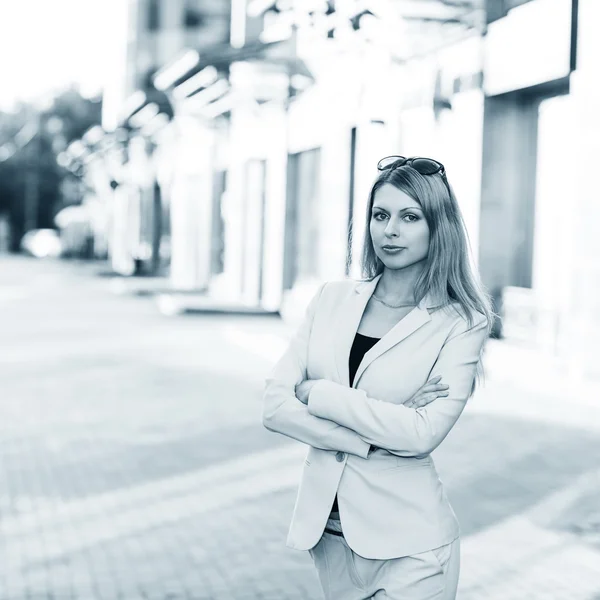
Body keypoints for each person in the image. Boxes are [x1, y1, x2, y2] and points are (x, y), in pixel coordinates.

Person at [262, 155, 493, 599]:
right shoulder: (331, 299)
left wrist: (318, 394)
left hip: (413, 549)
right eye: (380, 214)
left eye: (410, 217)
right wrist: (374, 432)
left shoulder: (461, 321)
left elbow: (421, 435)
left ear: (437, 227)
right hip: (330, 540)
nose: (390, 230)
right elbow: (275, 406)